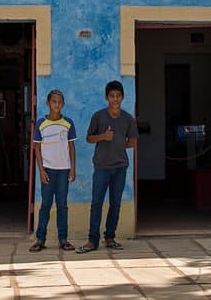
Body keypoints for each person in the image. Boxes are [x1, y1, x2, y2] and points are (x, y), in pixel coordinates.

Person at [77, 80, 137, 253]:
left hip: (120, 167)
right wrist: (103, 136)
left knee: (116, 203)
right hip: (102, 167)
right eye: (112, 96)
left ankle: (110, 237)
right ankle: (92, 240)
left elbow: (132, 141)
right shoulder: (99, 116)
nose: (115, 99)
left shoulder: (128, 118)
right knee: (97, 203)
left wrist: (118, 145)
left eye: (118, 96)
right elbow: (89, 138)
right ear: (106, 97)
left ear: (122, 97)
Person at [29, 89, 77, 252]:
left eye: (59, 102)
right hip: (48, 170)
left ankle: (63, 239)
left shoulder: (68, 123)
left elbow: (71, 147)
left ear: (63, 104)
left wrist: (72, 169)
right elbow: (37, 148)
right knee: (46, 205)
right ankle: (40, 238)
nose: (56, 104)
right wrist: (41, 171)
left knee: (62, 205)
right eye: (54, 101)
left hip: (64, 170)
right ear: (48, 103)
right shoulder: (41, 124)